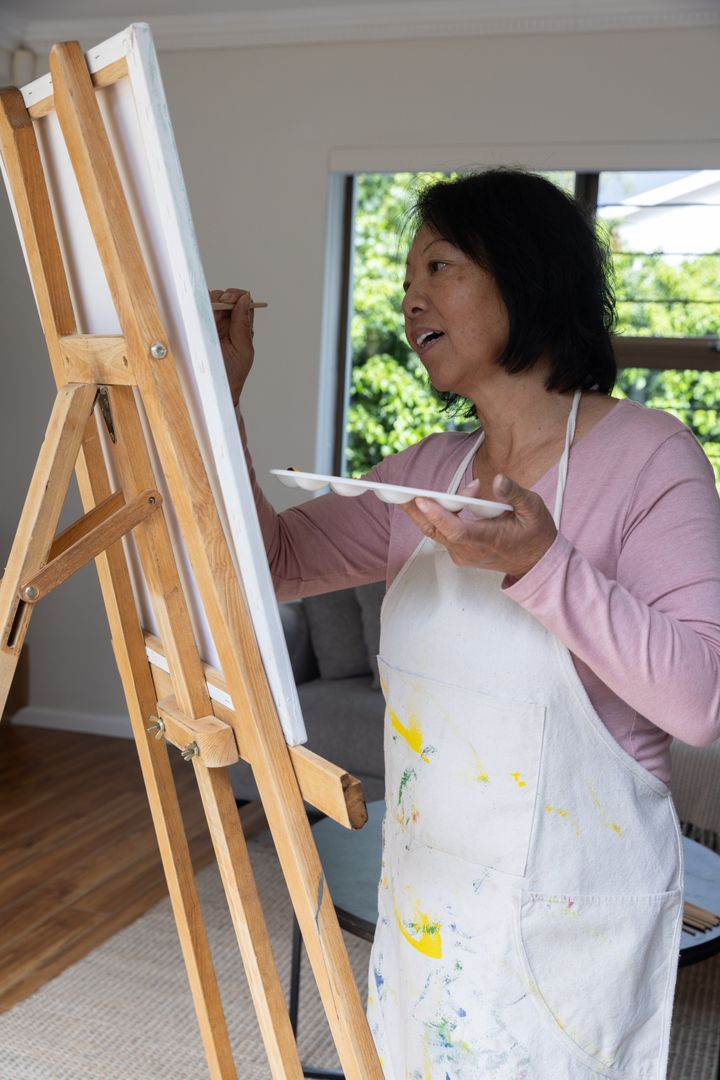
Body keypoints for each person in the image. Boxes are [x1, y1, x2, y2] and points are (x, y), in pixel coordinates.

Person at [213, 169, 720, 1079]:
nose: (410, 300)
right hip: (432, 896)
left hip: (570, 916)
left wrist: (542, 564)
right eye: (407, 278)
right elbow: (277, 562)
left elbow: (700, 700)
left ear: (524, 277)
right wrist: (223, 399)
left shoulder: (653, 456)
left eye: (439, 266)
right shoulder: (434, 471)